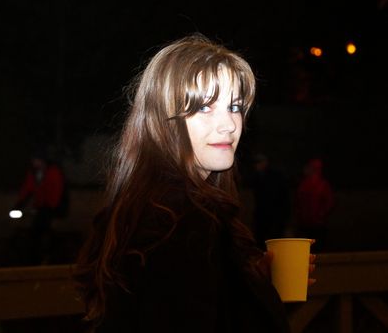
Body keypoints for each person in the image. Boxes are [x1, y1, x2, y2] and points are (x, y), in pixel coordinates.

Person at [75, 35, 314, 332]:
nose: (229, 124)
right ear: (162, 120)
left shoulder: (158, 206)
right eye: (204, 108)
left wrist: (253, 281)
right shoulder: (179, 220)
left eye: (235, 106)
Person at [13, 149, 68, 263]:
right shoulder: (33, 172)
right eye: (33, 160)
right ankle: (36, 253)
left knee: (39, 229)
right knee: (33, 227)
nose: (33, 162)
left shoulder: (53, 171)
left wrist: (48, 206)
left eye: (36, 160)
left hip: (54, 207)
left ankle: (44, 256)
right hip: (41, 207)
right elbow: (27, 188)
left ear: (42, 160)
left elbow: (56, 192)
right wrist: (19, 204)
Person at [250, 154, 291, 249]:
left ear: (265, 162)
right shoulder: (257, 177)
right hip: (262, 216)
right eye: (255, 163)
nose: (256, 165)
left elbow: (283, 197)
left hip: (275, 216)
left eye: (259, 162)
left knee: (275, 242)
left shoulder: (275, 177)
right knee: (261, 241)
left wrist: (284, 217)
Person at [294, 158, 334, 251]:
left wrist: (321, 214)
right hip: (306, 223)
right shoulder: (304, 184)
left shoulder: (322, 185)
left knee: (318, 247)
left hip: (317, 223)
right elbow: (299, 202)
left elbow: (329, 202)